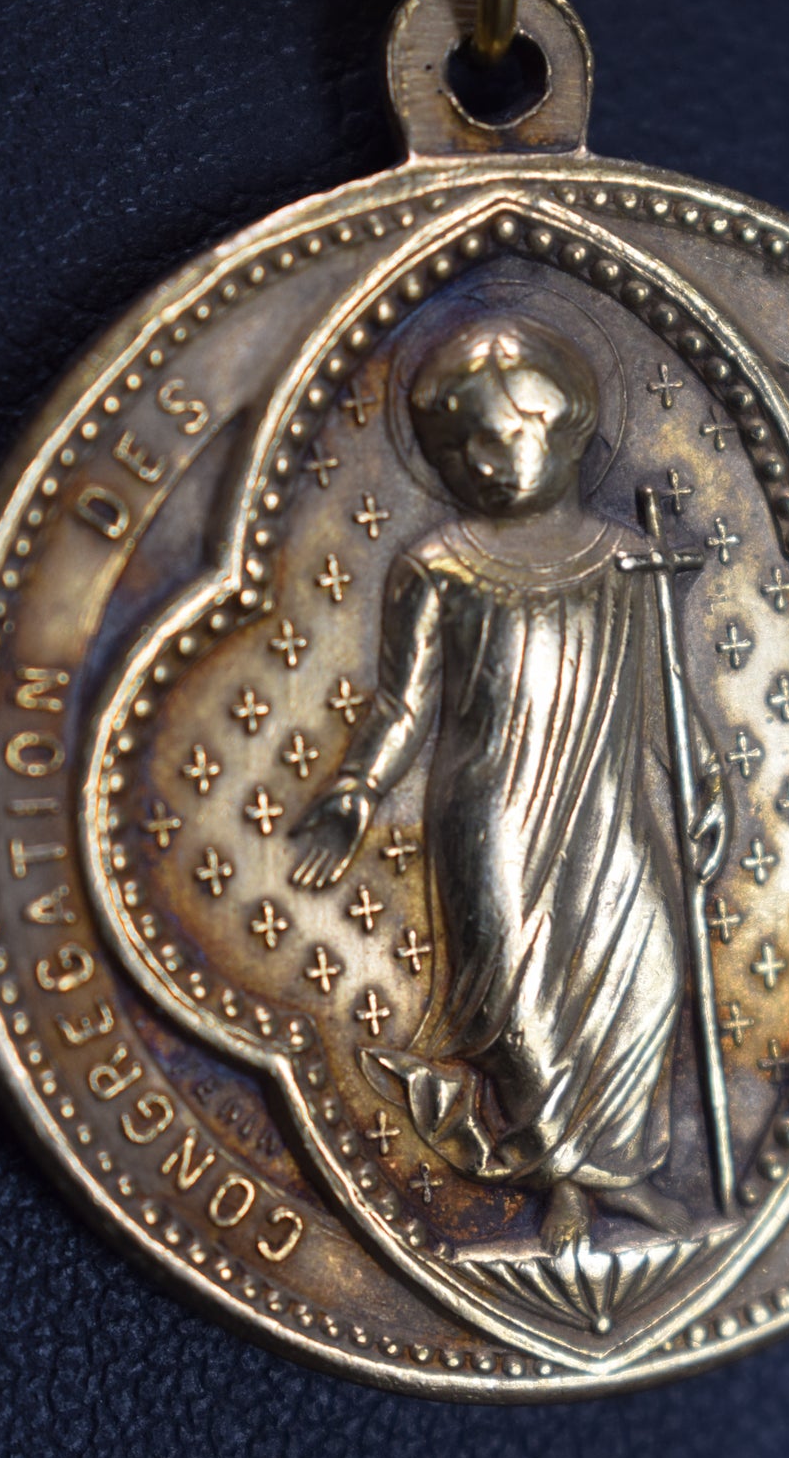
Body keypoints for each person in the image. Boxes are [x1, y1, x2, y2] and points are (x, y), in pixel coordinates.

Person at [290, 313, 726, 1253]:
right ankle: (561, 1181)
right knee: (522, 1008)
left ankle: (622, 1172)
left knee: (648, 977)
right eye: (461, 447)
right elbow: (403, 706)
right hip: (491, 815)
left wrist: (705, 783)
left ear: (565, 430)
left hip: (610, 806)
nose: (484, 462)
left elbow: (664, 690)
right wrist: (356, 789)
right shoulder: (437, 566)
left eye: (504, 435)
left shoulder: (627, 560)